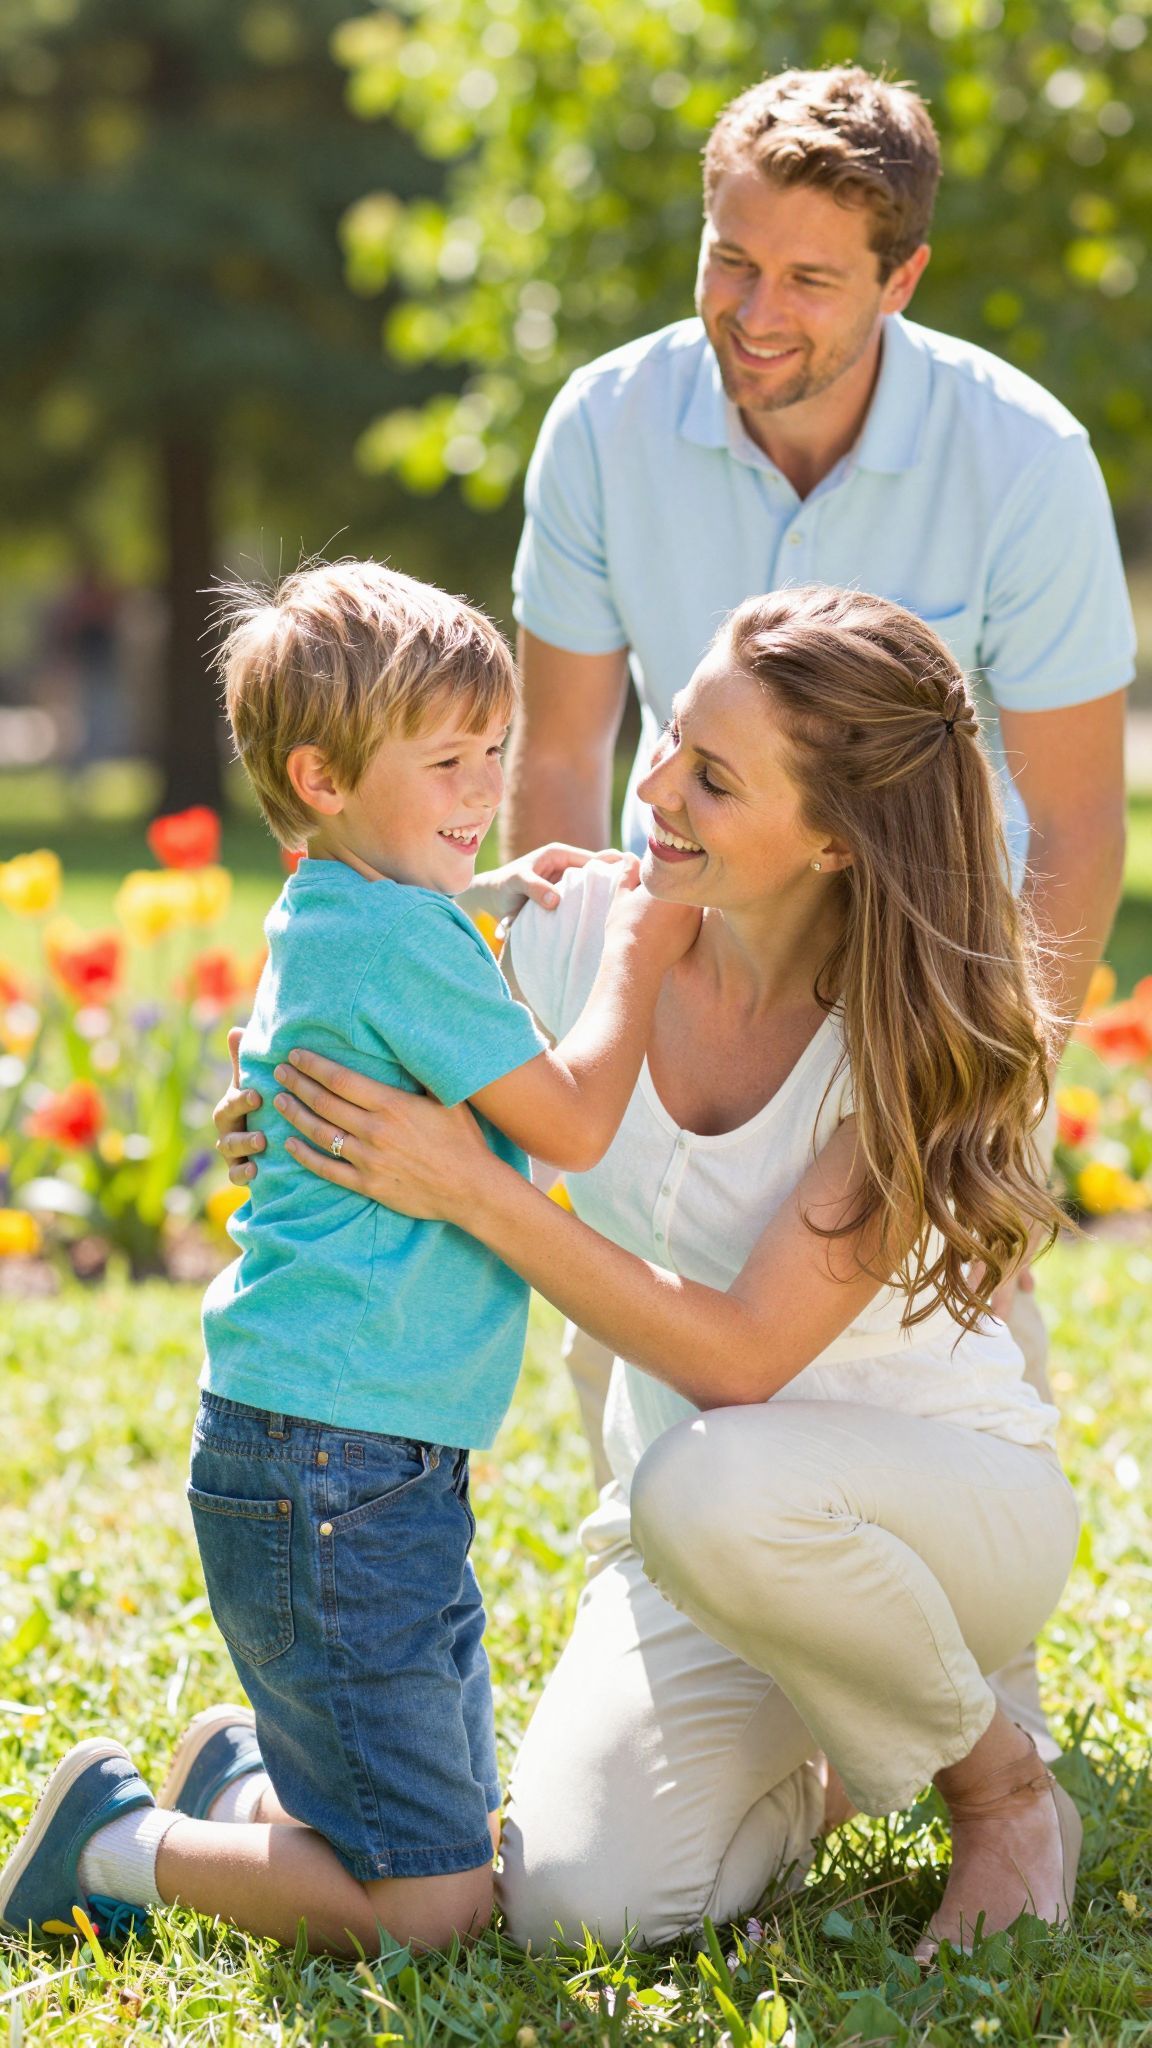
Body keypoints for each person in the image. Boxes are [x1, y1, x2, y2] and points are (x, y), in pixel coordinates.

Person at [208, 585, 1082, 1960]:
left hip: (936, 1511)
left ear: (837, 841)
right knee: (578, 1907)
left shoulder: (915, 1045)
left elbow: (739, 1362)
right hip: (689, 1547)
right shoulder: (577, 934)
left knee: (711, 1468)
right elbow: (377, 995)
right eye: (670, 735)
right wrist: (295, 1117)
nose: (655, 788)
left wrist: (475, 1192)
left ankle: (1003, 1784)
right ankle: (848, 1739)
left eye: (714, 780)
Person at [502, 66, 1133, 1721]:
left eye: (809, 277)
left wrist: (981, 1109)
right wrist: (567, 1056)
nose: (753, 313)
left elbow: (1071, 821)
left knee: (928, 1423)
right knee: (665, 1462)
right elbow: (561, 762)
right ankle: (722, 1724)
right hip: (684, 998)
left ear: (903, 277)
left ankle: (980, 1737)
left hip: (905, 1027)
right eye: (729, 260)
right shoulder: (606, 425)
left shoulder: (1020, 458)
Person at [0, 561, 696, 1958]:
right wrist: (643, 941)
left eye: (495, 752)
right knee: (437, 1910)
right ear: (320, 777)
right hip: (341, 1468)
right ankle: (115, 1843)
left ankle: (243, 1789)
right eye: (447, 761)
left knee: (459, 1844)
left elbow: (401, 944)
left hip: (352, 1453)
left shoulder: (334, 907)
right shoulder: (396, 942)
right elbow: (563, 1116)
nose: (485, 785)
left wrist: (486, 884)